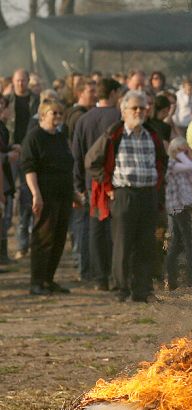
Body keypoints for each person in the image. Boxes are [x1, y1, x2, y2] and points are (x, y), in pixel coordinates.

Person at [93, 90, 167, 303]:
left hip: (148, 194)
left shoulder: (152, 134)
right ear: (123, 111)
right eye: (134, 108)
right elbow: (92, 161)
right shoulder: (113, 134)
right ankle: (121, 289)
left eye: (142, 108)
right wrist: (108, 186)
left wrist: (158, 185)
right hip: (123, 194)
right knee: (122, 244)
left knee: (146, 244)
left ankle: (142, 290)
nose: (138, 111)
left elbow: (162, 161)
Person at [21, 100, 77, 295]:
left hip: (63, 193)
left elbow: (67, 166)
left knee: (59, 238)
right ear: (43, 115)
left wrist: (74, 193)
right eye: (54, 113)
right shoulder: (34, 138)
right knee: (43, 238)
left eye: (60, 113)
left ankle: (49, 279)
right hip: (45, 194)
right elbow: (29, 168)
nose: (58, 117)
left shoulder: (61, 137)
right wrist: (36, 194)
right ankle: (36, 281)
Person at [72, 78, 122, 291]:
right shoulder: (119, 117)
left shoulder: (84, 119)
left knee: (96, 230)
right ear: (113, 93)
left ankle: (100, 277)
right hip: (116, 183)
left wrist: (79, 185)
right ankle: (114, 275)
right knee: (116, 230)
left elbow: (77, 154)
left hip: (91, 182)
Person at [65, 80, 98, 283]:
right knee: (82, 222)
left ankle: (82, 263)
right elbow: (77, 152)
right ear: (80, 93)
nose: (94, 94)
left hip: (81, 175)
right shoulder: (79, 117)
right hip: (81, 175)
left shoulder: (82, 114)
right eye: (90, 91)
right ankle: (82, 264)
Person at [7, 69, 40, 260]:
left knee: (29, 199)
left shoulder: (35, 101)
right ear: (13, 81)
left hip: (29, 152)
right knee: (12, 197)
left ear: (28, 81)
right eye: (17, 80)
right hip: (11, 152)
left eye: (23, 80)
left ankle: (26, 243)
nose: (21, 83)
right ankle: (17, 242)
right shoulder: (7, 100)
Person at [164, 137, 192, 289]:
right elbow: (189, 167)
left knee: (178, 243)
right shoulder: (172, 164)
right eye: (181, 150)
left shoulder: (183, 164)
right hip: (176, 207)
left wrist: (189, 156)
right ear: (174, 151)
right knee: (188, 242)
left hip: (185, 206)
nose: (184, 152)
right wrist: (185, 154)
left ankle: (172, 279)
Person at [0, 97, 17, 264]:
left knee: (4, 218)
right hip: (2, 179)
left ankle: (3, 254)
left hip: (4, 178)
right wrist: (7, 156)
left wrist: (11, 147)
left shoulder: (3, 128)